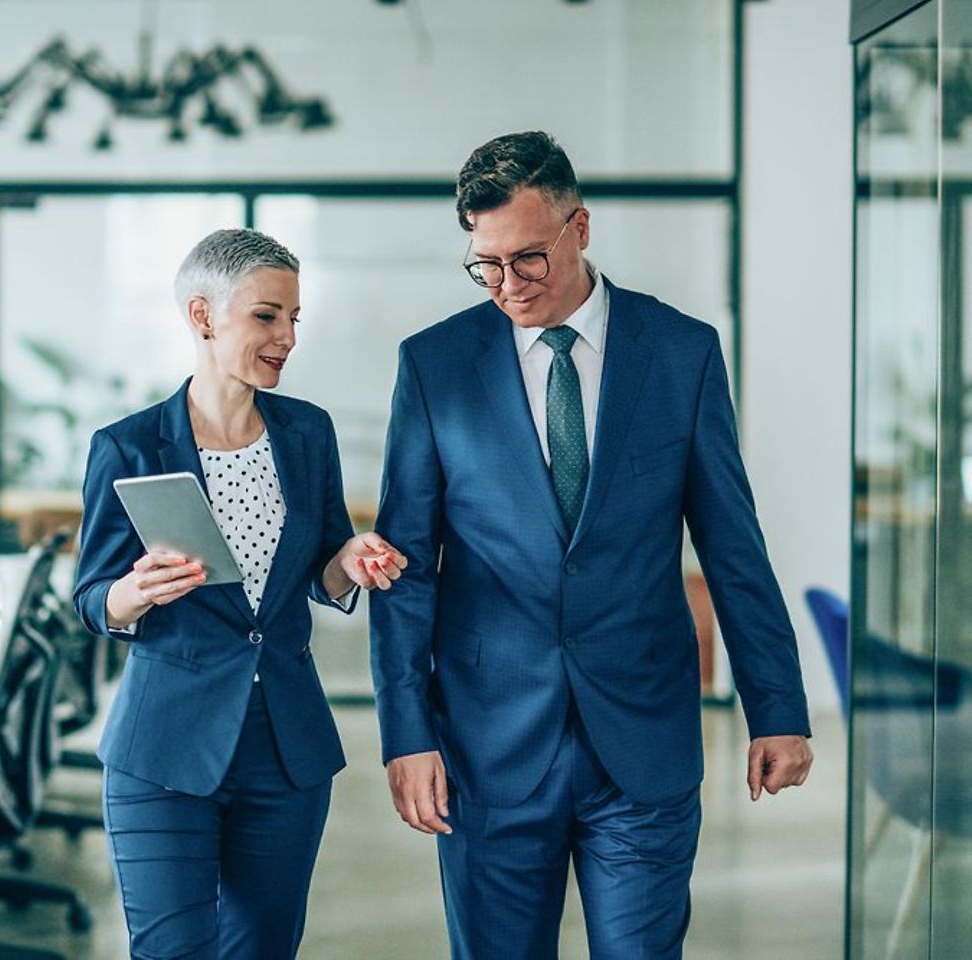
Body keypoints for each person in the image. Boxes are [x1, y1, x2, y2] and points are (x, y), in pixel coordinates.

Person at [369, 131, 814, 959]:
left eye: (528, 258)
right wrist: (406, 732)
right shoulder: (434, 366)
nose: (508, 285)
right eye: (486, 265)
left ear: (580, 227)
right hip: (485, 743)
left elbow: (731, 544)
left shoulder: (681, 352)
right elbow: (406, 569)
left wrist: (777, 708)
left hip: (642, 738)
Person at [73, 228, 407, 960]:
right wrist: (131, 594)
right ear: (203, 316)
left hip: (285, 750)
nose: (287, 336)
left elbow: (321, 568)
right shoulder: (127, 445)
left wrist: (352, 558)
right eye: (266, 316)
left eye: (294, 318)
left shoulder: (307, 433)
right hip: (164, 749)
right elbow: (91, 596)